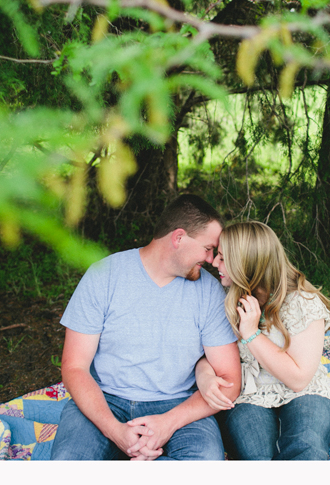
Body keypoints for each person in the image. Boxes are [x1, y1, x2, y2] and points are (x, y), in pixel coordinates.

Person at [51, 195, 241, 460]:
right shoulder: (104, 275)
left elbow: (230, 381)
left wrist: (168, 423)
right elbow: (74, 367)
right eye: (208, 248)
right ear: (178, 238)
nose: (211, 260)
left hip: (178, 405)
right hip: (106, 400)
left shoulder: (208, 293)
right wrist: (115, 431)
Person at [196, 221, 330, 460]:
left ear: (248, 263)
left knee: (306, 446)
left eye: (223, 258)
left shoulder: (302, 302)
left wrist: (251, 333)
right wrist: (204, 376)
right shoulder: (224, 299)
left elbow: (298, 379)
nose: (213, 263)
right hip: (249, 394)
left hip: (306, 393)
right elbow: (208, 356)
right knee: (257, 457)